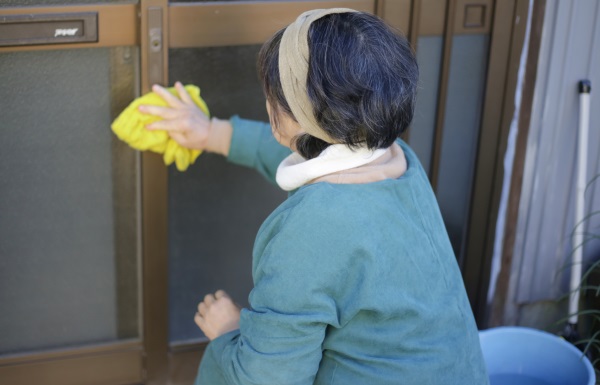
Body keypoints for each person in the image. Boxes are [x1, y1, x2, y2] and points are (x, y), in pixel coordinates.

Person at [139, 8, 489, 385]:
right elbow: (320, 155)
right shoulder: (398, 160)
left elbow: (268, 378)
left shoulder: (310, 230)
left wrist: (227, 332)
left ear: (292, 116)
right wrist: (213, 133)